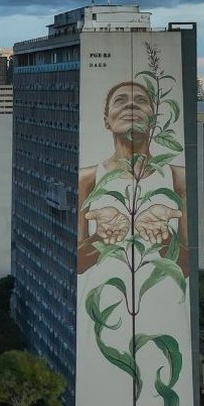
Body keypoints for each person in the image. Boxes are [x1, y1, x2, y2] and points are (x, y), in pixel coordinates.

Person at [76, 80, 188, 275]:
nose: (131, 105)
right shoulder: (86, 179)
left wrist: (165, 238)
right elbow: (78, 265)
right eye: (120, 100)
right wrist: (100, 238)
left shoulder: (178, 177)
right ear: (106, 120)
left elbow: (187, 267)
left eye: (141, 100)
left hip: (163, 298)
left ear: (153, 119)